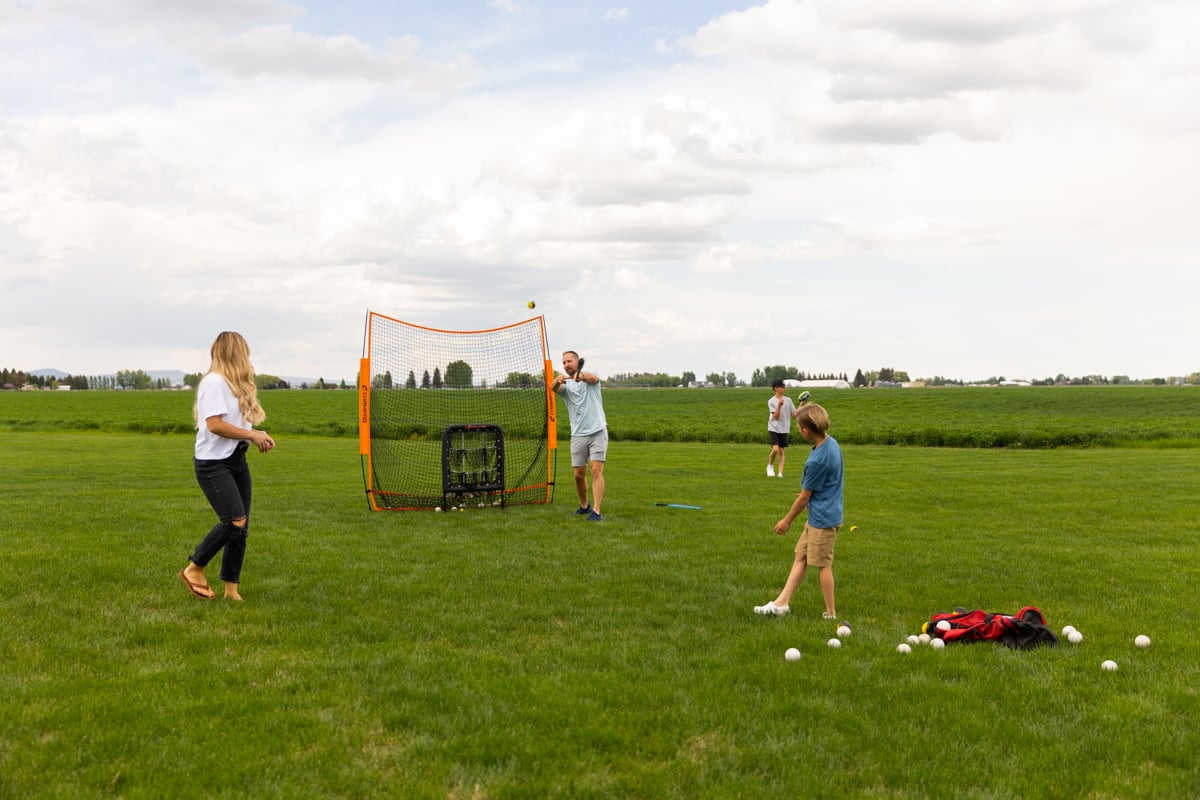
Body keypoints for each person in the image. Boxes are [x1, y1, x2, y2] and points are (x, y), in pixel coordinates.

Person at [178, 331, 276, 601]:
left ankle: (231, 591)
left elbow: (235, 425)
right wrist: (253, 434)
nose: (248, 357)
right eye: (245, 352)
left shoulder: (234, 385)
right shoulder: (214, 382)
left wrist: (255, 437)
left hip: (235, 460)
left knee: (241, 528)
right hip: (213, 464)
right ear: (236, 353)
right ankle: (194, 568)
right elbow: (215, 425)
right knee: (234, 521)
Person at [754, 403, 843, 620]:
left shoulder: (817, 459)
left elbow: (805, 497)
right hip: (822, 512)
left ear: (805, 430)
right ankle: (782, 603)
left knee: (823, 565)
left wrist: (786, 521)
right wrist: (809, 496)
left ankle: (831, 613)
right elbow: (825, 484)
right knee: (800, 556)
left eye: (798, 427)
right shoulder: (831, 444)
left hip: (823, 519)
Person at [551, 350, 607, 522]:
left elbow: (593, 378)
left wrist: (581, 376)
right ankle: (584, 506)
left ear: (577, 361)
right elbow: (554, 388)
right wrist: (557, 380)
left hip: (598, 431)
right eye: (563, 363)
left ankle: (596, 511)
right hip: (578, 435)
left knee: (596, 470)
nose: (566, 365)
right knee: (578, 475)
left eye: (569, 361)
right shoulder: (566, 387)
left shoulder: (590, 377)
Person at [765, 378, 798, 478]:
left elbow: (794, 415)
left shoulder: (789, 400)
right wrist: (779, 405)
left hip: (784, 428)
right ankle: (770, 466)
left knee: (781, 452)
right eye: (782, 386)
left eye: (784, 386)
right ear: (776, 388)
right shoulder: (771, 401)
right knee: (775, 450)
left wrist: (801, 405)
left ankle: (780, 473)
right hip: (774, 427)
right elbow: (775, 417)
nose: (784, 388)